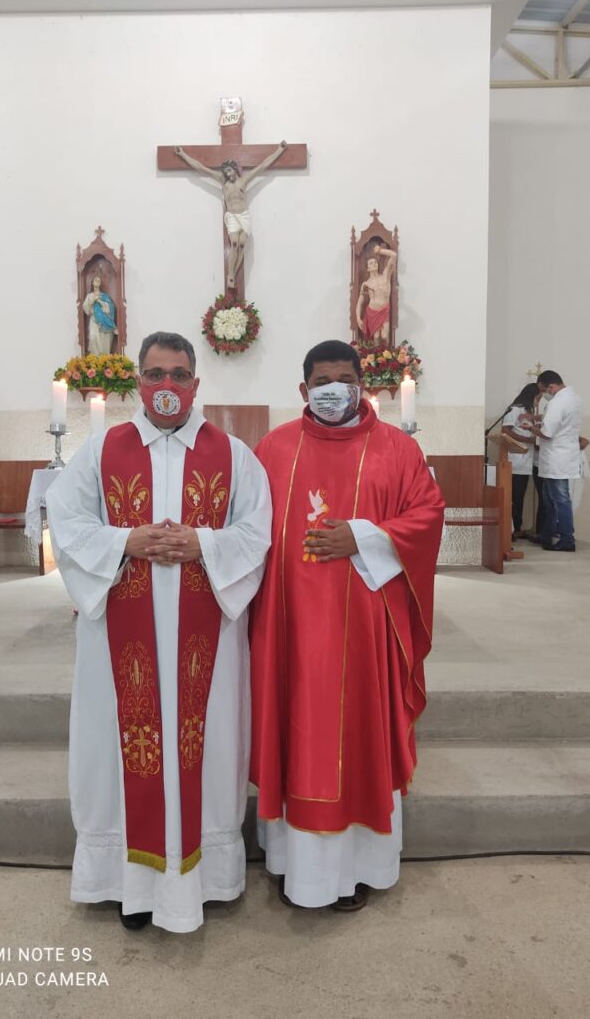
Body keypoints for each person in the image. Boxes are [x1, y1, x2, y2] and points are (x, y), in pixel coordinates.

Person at [46, 331, 271, 934]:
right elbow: (66, 522)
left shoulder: (234, 456)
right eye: (154, 374)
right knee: (118, 748)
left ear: (196, 383)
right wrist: (127, 540)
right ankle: (129, 883)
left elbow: (257, 533)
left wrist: (204, 544)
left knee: (208, 745)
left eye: (178, 375)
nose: (166, 386)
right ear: (137, 383)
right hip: (119, 638)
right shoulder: (101, 451)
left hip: (207, 639)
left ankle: (204, 879)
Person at [249, 340, 444, 912]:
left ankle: (359, 868)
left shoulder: (397, 449)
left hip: (365, 629)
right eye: (322, 381)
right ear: (304, 389)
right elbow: (245, 528)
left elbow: (427, 515)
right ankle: (293, 864)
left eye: (345, 380)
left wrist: (360, 536)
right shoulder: (273, 449)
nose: (334, 390)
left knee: (359, 736)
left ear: (362, 385)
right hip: (289, 626)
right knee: (296, 732)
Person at [174, 142, 288, 289]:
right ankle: (231, 275)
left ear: (234, 169)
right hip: (232, 216)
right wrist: (182, 154)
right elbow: (201, 168)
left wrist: (279, 150)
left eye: (229, 170)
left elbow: (263, 166)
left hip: (244, 215)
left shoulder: (244, 180)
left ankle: (233, 273)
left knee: (242, 244)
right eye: (226, 172)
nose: (228, 174)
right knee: (234, 243)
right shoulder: (223, 182)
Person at [531, 369, 583, 552]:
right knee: (549, 498)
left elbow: (547, 433)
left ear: (551, 386)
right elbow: (559, 423)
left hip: (557, 458)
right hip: (561, 455)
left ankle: (567, 539)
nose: (544, 394)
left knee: (560, 499)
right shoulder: (574, 398)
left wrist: (532, 429)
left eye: (543, 390)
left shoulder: (558, 402)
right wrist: (540, 420)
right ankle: (546, 534)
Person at [501, 383, 538, 539]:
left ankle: (517, 527)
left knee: (519, 497)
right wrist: (528, 440)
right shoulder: (515, 410)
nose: (538, 401)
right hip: (515, 460)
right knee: (513, 497)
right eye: (538, 398)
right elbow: (505, 431)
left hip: (525, 461)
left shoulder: (529, 412)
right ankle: (510, 529)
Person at [355, 245, 398, 348]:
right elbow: (360, 302)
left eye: (375, 262)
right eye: (371, 263)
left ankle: (388, 355)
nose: (374, 264)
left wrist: (380, 251)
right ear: (368, 268)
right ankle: (376, 357)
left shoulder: (385, 276)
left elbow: (393, 255)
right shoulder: (366, 284)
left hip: (384, 310)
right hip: (372, 312)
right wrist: (358, 317)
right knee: (376, 337)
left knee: (385, 336)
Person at [82, 272, 117, 354]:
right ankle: (95, 358)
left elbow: (111, 307)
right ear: (92, 282)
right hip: (94, 320)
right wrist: (93, 301)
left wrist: (103, 304)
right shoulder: (90, 296)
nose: (97, 282)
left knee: (104, 339)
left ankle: (104, 358)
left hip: (104, 322)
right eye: (95, 280)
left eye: (99, 280)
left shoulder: (104, 296)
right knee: (93, 337)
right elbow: (86, 310)